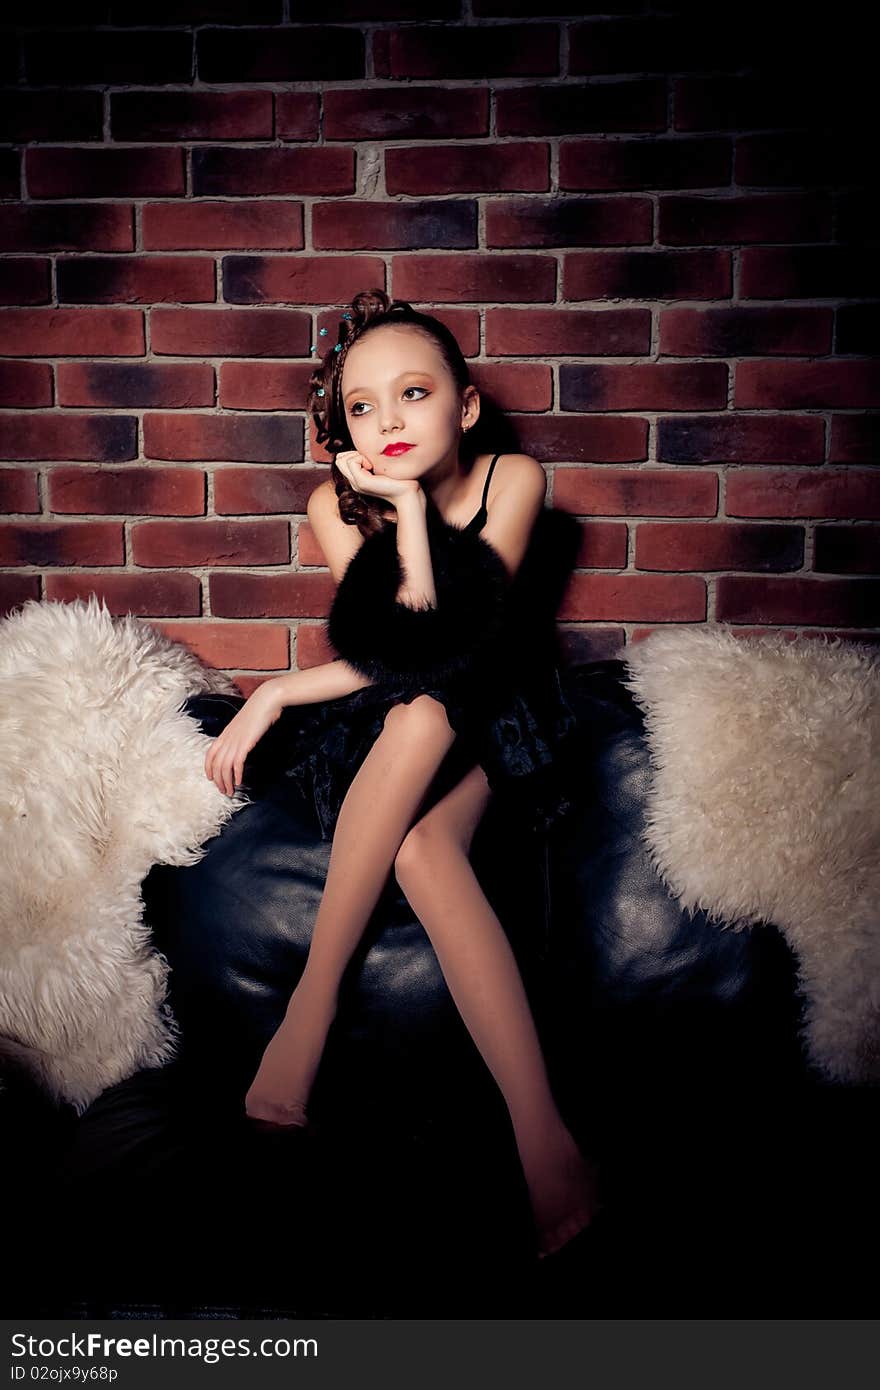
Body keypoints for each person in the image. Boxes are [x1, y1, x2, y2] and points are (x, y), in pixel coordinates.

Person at [203, 288, 601, 1260]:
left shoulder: (514, 478)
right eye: (362, 408)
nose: (386, 424)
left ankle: (328, 1010)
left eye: (412, 394)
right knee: (419, 814)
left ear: (464, 406)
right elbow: (397, 655)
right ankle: (533, 1134)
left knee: (434, 741)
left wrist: (281, 685)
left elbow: (465, 643)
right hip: (398, 719)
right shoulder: (328, 504)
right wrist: (285, 692)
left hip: (501, 713)